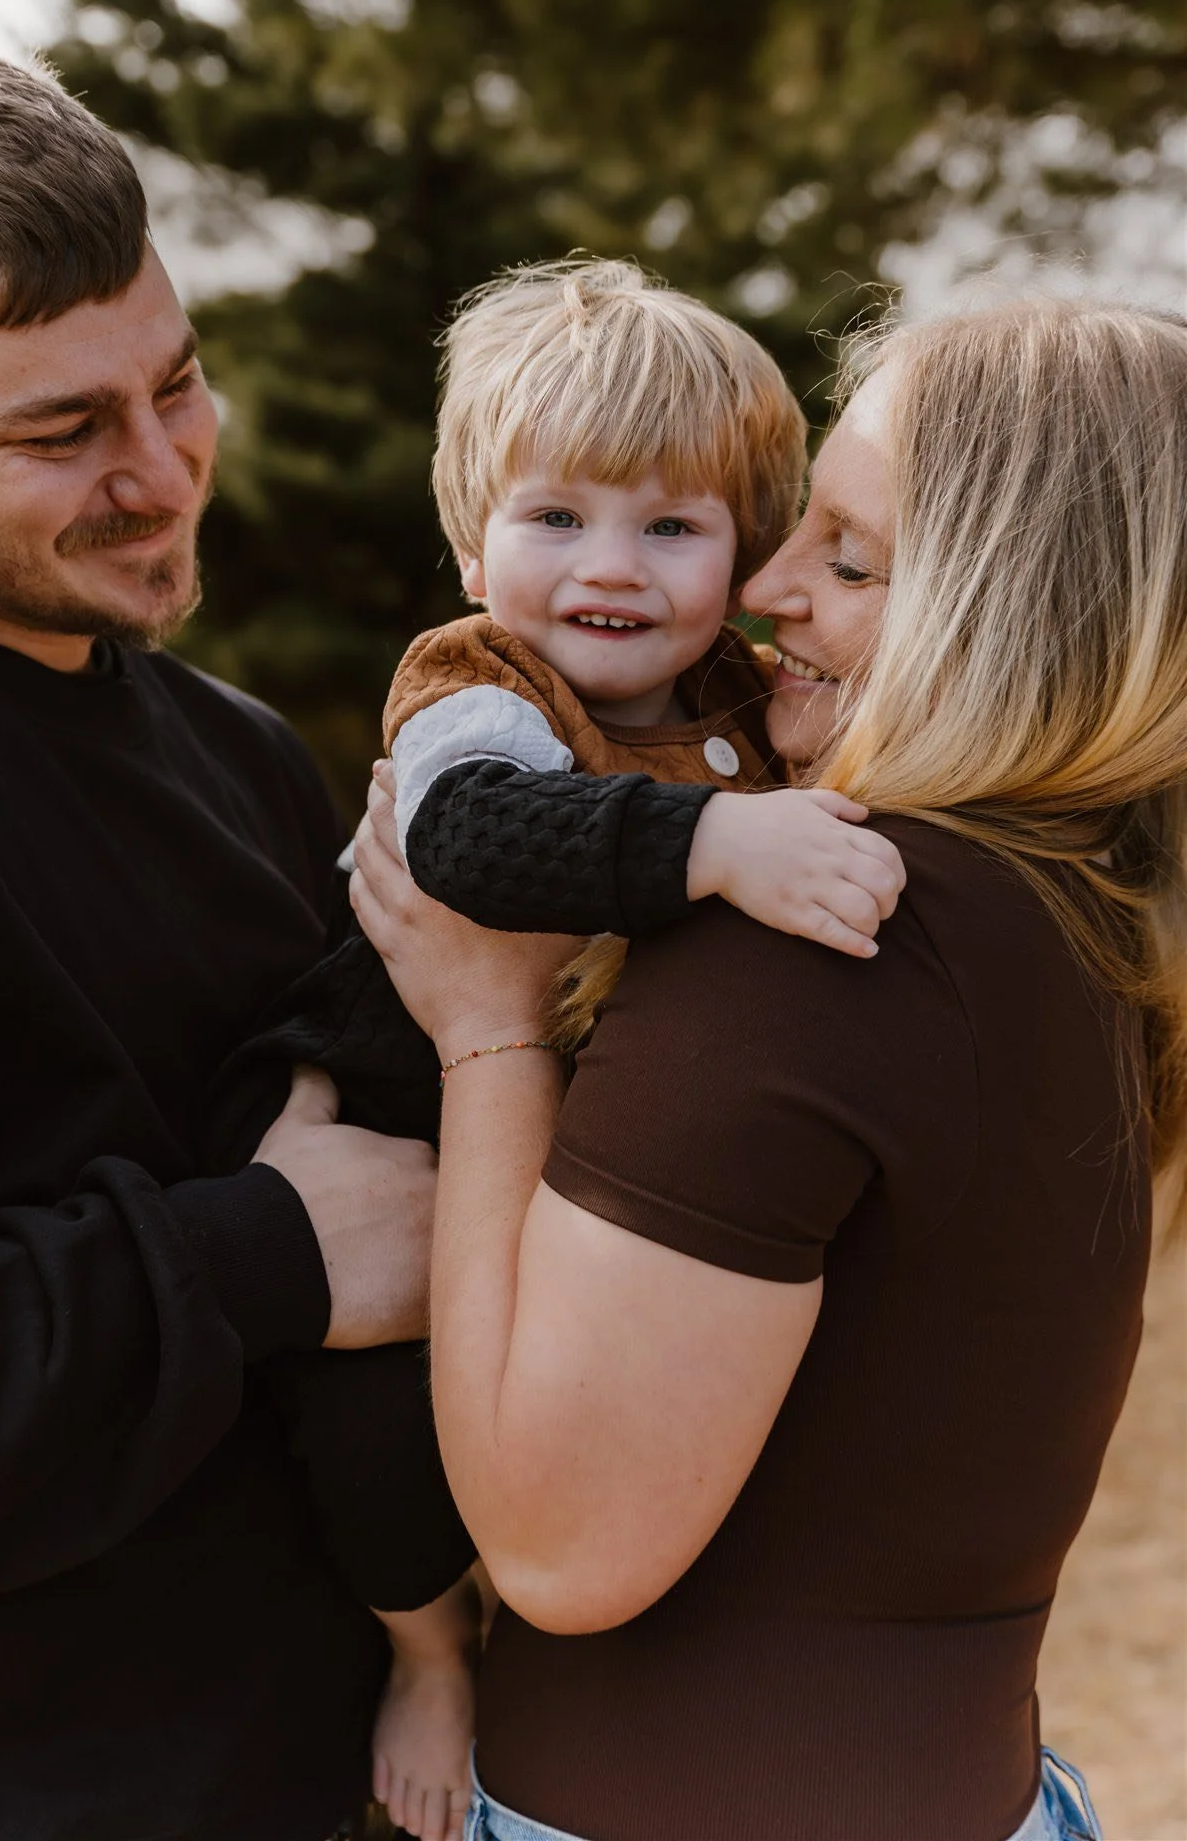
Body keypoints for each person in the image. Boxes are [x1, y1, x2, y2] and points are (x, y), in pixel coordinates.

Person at [352, 295, 1187, 1841]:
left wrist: (488, 1027)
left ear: (1012, 614)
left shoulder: (824, 921)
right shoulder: (1084, 915)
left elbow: (558, 1545)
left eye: (851, 560)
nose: (768, 588)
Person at [0, 49, 472, 1841]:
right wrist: (264, 1254)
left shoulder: (241, 748)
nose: (160, 470)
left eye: (176, 385)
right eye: (57, 434)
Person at [208, 256, 907, 1841]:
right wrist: (718, 850)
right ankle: (426, 1653)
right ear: (473, 543)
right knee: (378, 1456)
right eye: (556, 518)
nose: (612, 566)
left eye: (671, 526)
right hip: (394, 1117)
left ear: (741, 557)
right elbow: (468, 843)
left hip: (581, 1152)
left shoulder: (748, 696)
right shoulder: (476, 685)